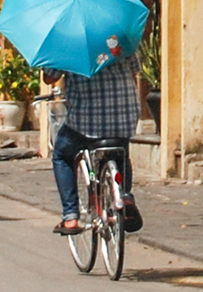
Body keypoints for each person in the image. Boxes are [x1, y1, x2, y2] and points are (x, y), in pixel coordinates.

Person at [49, 57, 143, 236]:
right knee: (121, 154)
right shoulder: (120, 35)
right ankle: (124, 195)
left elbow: (49, 78)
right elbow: (134, 70)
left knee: (61, 155)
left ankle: (70, 217)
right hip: (124, 117)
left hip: (86, 123)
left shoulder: (68, 43)